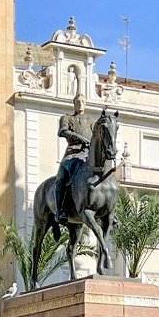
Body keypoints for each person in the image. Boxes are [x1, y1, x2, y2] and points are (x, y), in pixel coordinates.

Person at [54, 94, 93, 224]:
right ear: (74, 103)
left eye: (83, 101)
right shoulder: (67, 118)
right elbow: (62, 131)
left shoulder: (90, 120)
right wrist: (78, 138)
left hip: (88, 154)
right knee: (62, 177)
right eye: (78, 101)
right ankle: (60, 210)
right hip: (73, 153)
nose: (80, 103)